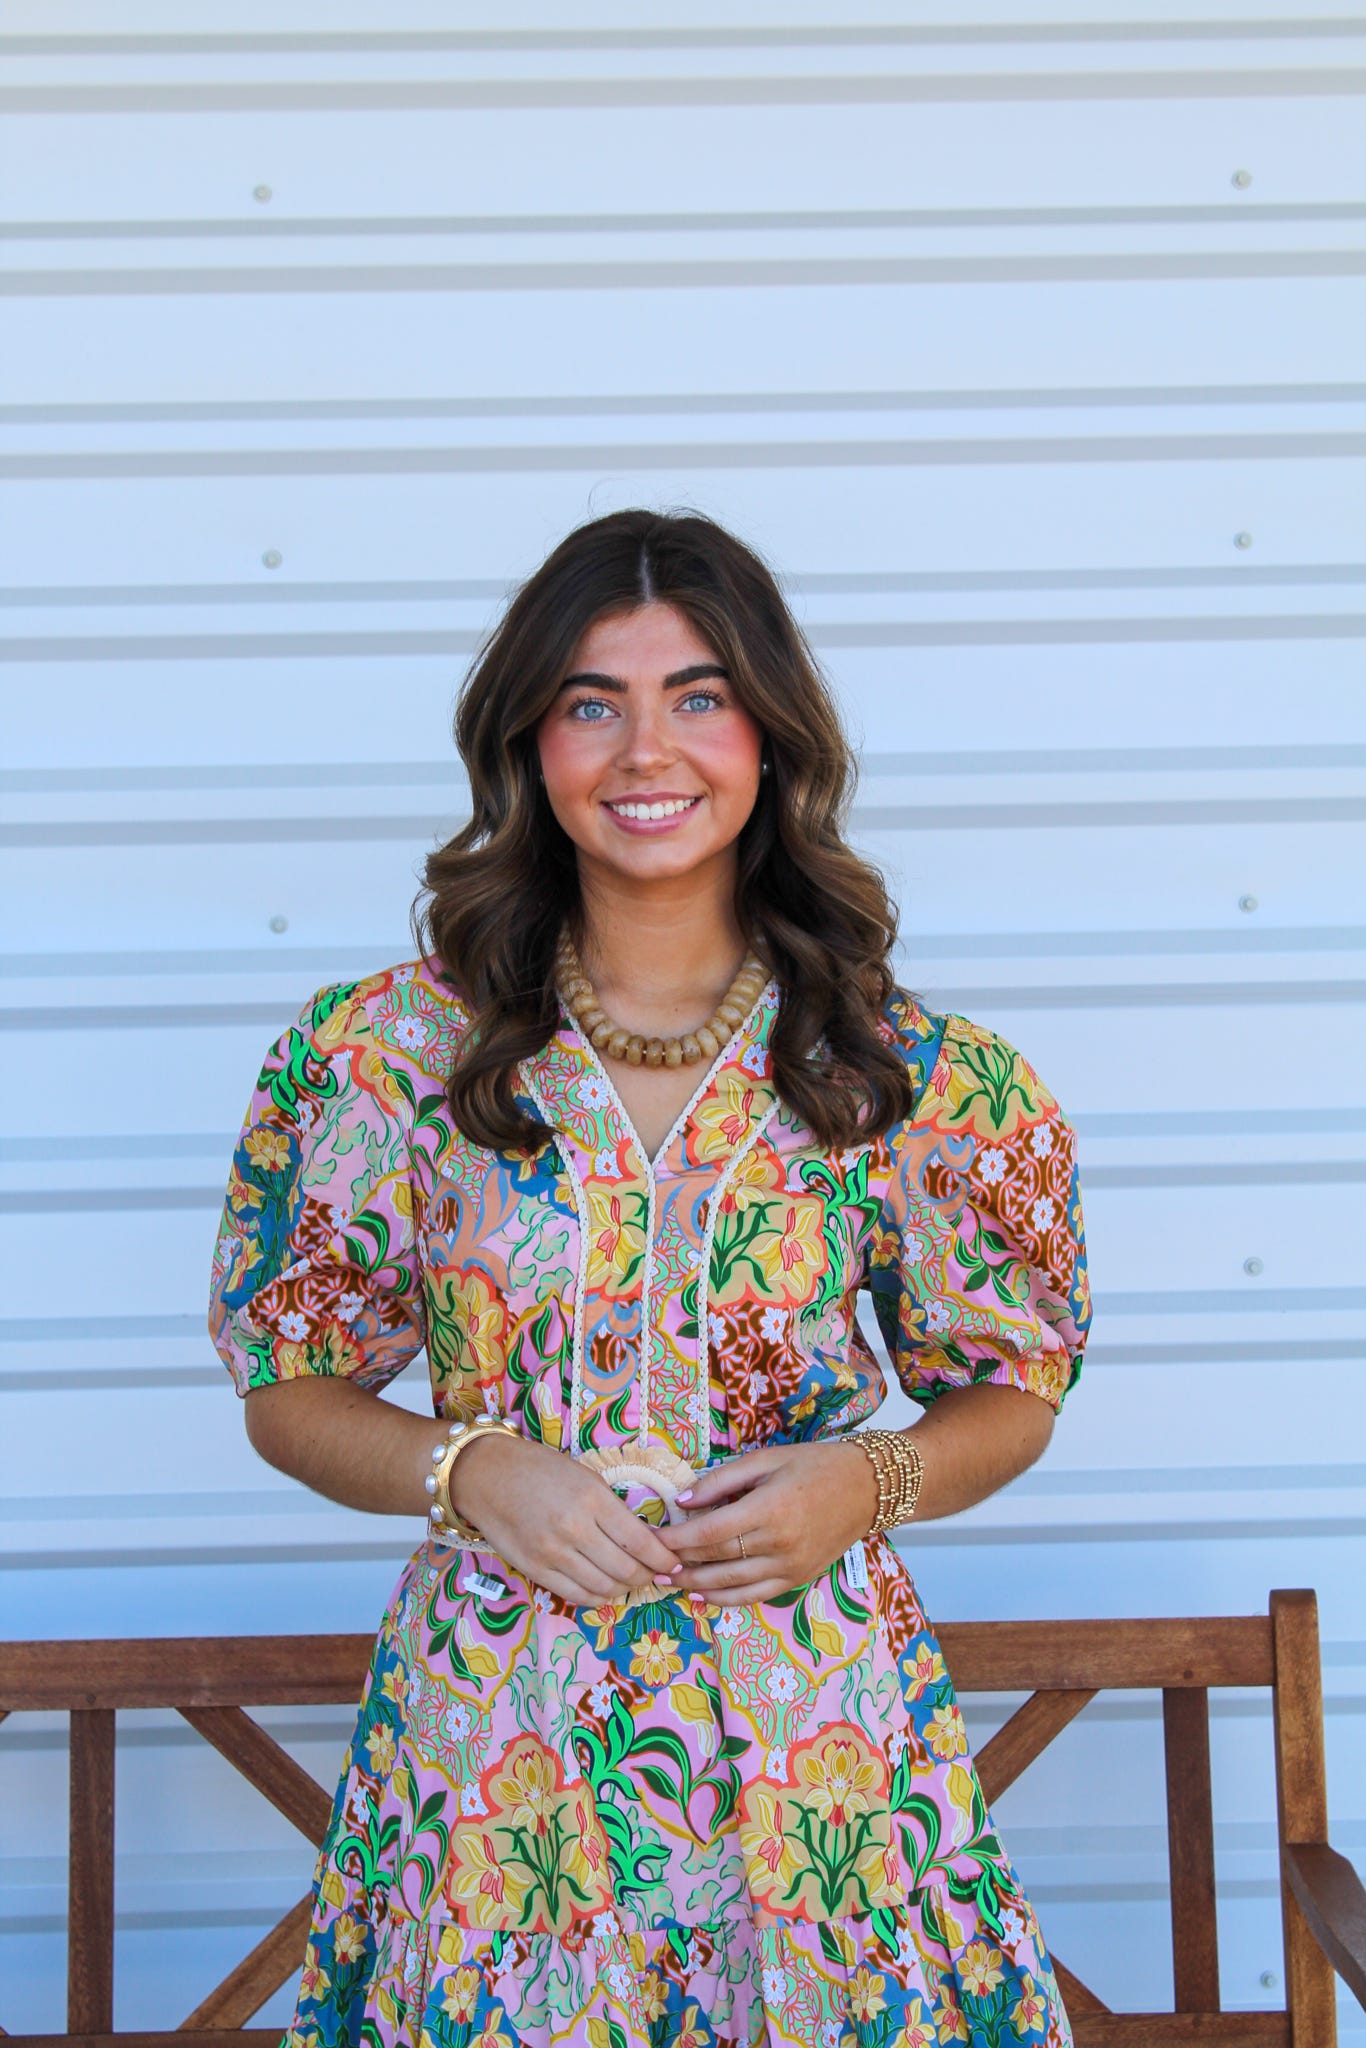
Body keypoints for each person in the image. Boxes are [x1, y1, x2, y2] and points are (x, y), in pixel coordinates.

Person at [210, 508, 1091, 2048]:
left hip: (816, 1751)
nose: (644, 750)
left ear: (768, 736)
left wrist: (865, 1483)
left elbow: (1013, 1384)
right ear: (527, 747)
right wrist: (468, 1466)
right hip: (500, 1761)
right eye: (587, 702)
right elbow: (286, 1384)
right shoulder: (376, 1056)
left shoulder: (915, 1073)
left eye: (697, 695)